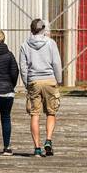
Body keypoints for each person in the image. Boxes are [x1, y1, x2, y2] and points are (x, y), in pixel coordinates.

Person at [19, 18, 62, 158]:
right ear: (43, 29)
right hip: (49, 80)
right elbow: (56, 63)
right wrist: (58, 79)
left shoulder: (25, 45)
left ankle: (37, 148)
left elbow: (23, 67)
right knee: (51, 112)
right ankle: (48, 140)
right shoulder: (51, 43)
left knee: (35, 114)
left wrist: (27, 83)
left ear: (31, 29)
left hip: (34, 81)